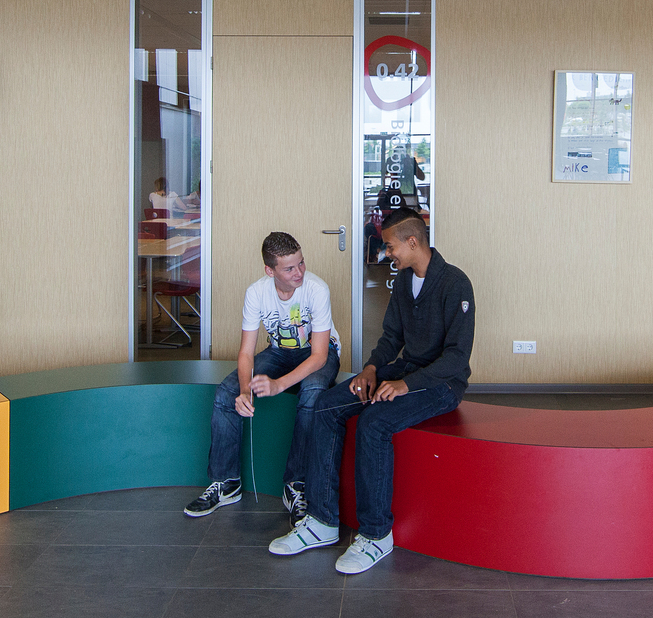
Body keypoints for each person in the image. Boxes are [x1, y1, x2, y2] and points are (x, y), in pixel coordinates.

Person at [268, 208, 473, 573]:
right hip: (405, 369)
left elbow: (456, 358)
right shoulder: (404, 281)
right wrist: (372, 369)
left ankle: (377, 534)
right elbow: (392, 336)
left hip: (442, 385)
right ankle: (322, 521)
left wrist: (404, 384)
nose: (387, 253)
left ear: (413, 242)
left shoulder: (456, 284)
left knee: (375, 423)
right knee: (327, 403)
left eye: (391, 246)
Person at [184, 232, 340, 519]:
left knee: (313, 393)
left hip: (318, 352)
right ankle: (226, 482)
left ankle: (297, 485)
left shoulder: (317, 289)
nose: (300, 272)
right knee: (226, 392)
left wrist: (280, 384)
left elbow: (319, 356)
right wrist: (245, 390)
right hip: (279, 351)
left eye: (301, 263)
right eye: (290, 268)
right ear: (270, 271)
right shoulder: (257, 292)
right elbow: (246, 352)